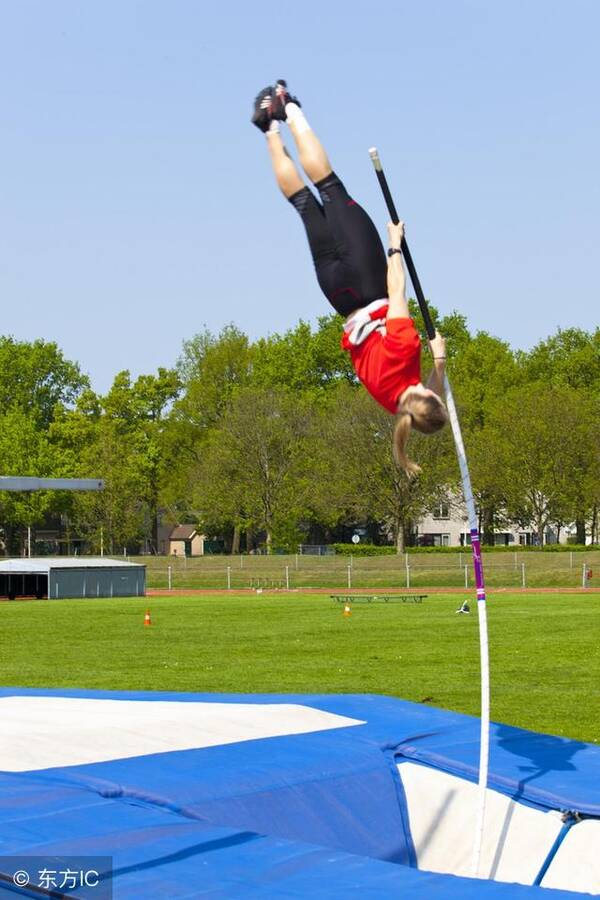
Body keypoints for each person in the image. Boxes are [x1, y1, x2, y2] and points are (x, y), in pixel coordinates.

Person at [252, 80, 448, 475]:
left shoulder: (405, 348)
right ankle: (269, 128)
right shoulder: (391, 400)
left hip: (368, 278)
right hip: (337, 293)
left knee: (329, 187)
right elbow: (427, 391)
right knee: (304, 204)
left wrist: (394, 245)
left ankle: (289, 109)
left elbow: (397, 290)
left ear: (426, 395)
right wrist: (439, 363)